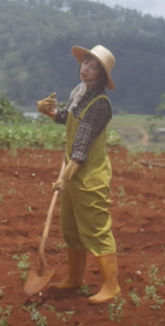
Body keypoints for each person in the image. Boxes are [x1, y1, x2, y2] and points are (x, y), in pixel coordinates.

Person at [35, 44, 120, 304]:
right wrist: (48, 112)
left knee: (96, 230)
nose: (86, 69)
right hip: (72, 175)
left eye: (93, 67)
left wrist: (63, 178)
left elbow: (81, 148)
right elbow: (67, 119)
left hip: (88, 178)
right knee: (70, 228)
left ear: (102, 76)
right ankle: (75, 278)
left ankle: (111, 286)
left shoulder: (99, 104)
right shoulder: (80, 95)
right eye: (85, 63)